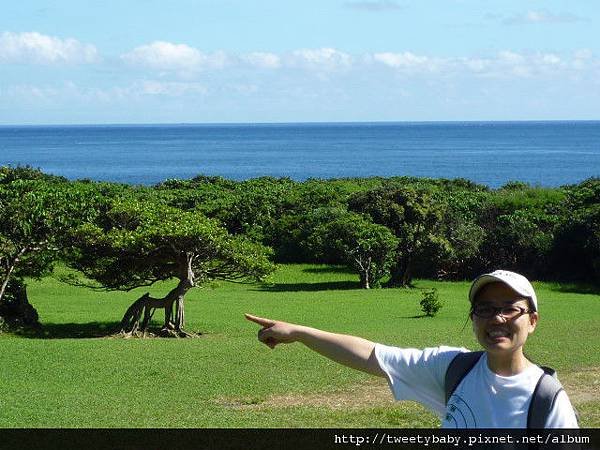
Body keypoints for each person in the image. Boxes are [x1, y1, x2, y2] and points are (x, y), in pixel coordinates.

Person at [245, 269, 579, 428]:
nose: (497, 318)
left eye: (510, 308)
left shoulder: (546, 398)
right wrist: (301, 332)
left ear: (532, 320)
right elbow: (371, 354)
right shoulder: (454, 368)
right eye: (485, 309)